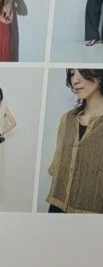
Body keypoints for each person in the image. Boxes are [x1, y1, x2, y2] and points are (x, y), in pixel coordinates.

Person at [47, 69, 103, 213]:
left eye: (82, 72)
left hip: (92, 214)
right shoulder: (67, 119)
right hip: (57, 206)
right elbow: (57, 165)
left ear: (99, 75)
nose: (75, 80)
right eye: (72, 74)